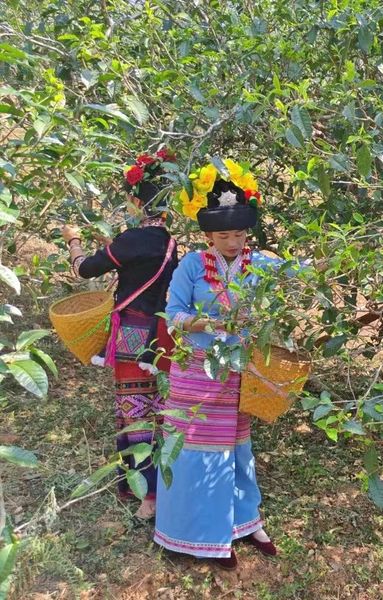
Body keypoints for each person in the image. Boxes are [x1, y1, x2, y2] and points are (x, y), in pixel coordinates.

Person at [153, 159, 301, 569]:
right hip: (196, 371)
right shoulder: (191, 266)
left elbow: (298, 274)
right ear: (209, 235)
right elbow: (173, 313)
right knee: (197, 450)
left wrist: (336, 260)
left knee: (236, 448)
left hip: (240, 371)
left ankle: (244, 522)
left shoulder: (261, 265)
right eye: (224, 234)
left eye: (239, 233)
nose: (233, 241)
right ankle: (194, 534)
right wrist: (204, 322)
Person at [62, 149, 179, 519]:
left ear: (135, 201)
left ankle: (147, 495)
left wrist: (73, 241)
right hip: (161, 334)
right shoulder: (171, 243)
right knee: (159, 411)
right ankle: (161, 486)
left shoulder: (131, 240)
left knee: (134, 411)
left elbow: (84, 270)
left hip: (131, 332)